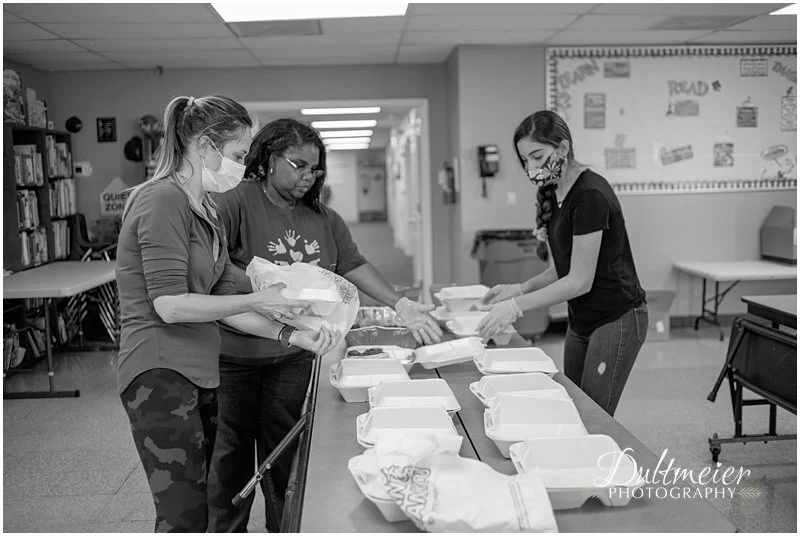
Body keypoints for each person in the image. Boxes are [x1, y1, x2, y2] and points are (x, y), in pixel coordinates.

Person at [115, 96, 339, 532]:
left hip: (201, 372)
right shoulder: (161, 201)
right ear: (204, 147)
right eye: (238, 155)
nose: (242, 167)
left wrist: (295, 336)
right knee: (183, 515)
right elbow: (171, 304)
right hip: (159, 372)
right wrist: (257, 299)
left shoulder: (206, 212)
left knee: (203, 504)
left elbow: (221, 300)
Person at [207, 118, 443, 532]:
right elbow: (213, 263)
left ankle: (285, 528)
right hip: (236, 352)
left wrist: (401, 304)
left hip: (295, 354)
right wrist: (266, 288)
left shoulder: (324, 218)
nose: (307, 177)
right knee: (232, 454)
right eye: (298, 165)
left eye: (315, 169)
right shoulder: (235, 201)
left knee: (286, 453)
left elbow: (352, 264)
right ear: (267, 159)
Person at [478, 110, 648, 417]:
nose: (530, 167)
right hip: (581, 318)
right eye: (525, 160)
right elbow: (561, 271)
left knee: (593, 417)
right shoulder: (554, 192)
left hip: (616, 317)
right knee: (573, 408)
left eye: (537, 155)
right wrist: (519, 288)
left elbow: (579, 281)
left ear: (563, 148)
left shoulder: (590, 194)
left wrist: (517, 306)